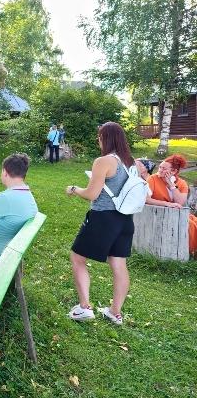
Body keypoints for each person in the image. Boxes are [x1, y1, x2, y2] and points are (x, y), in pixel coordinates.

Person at [65, 122, 136, 325]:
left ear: (104, 138)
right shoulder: (130, 162)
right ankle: (115, 312)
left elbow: (91, 194)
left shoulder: (103, 161)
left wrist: (74, 189)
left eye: (99, 137)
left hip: (103, 218)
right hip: (125, 220)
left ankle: (84, 307)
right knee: (119, 264)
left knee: (77, 258)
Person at [146, 154, 197, 256]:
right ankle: (190, 251)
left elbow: (180, 202)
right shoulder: (152, 179)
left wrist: (171, 185)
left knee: (194, 222)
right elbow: (146, 199)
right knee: (190, 225)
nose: (159, 170)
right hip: (158, 212)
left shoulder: (182, 183)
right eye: (160, 167)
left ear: (173, 171)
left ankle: (193, 252)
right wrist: (166, 204)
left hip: (178, 213)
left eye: (164, 168)